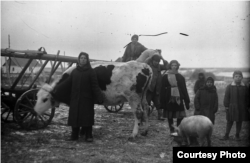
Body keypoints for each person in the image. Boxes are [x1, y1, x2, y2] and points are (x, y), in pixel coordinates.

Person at [52, 52, 103, 142]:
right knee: (74, 116)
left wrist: (100, 97)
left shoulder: (91, 72)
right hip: (75, 98)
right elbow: (67, 82)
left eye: (85, 58)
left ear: (87, 60)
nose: (83, 60)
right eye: (81, 58)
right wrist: (56, 88)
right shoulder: (75, 72)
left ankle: (88, 135)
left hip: (87, 99)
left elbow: (95, 85)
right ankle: (74, 135)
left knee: (87, 117)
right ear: (78, 60)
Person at [160, 60, 190, 133]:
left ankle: (178, 129)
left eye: (175, 65)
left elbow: (184, 89)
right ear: (170, 66)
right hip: (169, 98)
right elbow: (162, 90)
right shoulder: (165, 77)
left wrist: (186, 100)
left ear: (177, 66)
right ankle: (172, 130)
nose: (174, 67)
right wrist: (162, 102)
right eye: (172, 65)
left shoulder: (180, 77)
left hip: (178, 98)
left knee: (180, 115)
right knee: (170, 115)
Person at [139, 50, 168, 120]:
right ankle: (145, 116)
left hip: (157, 88)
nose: (156, 63)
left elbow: (167, 67)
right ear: (152, 61)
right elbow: (144, 63)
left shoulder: (159, 67)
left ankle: (160, 116)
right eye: (155, 61)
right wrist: (151, 56)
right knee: (147, 102)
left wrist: (163, 59)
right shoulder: (148, 66)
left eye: (158, 61)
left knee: (158, 103)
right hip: (149, 88)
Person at [221, 71, 249, 141]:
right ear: (233, 78)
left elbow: (247, 97)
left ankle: (237, 135)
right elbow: (226, 97)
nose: (238, 78)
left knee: (239, 121)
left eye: (239, 77)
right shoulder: (229, 87)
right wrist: (226, 106)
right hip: (232, 107)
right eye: (236, 77)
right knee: (230, 121)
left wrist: (247, 106)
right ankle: (226, 135)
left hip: (241, 107)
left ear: (242, 78)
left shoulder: (245, 87)